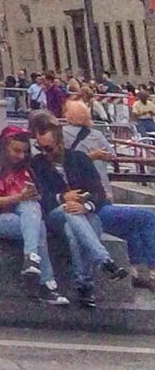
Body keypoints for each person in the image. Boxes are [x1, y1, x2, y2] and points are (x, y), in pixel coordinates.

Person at [27, 110, 124, 307]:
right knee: (68, 211)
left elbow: (98, 192)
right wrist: (63, 197)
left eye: (49, 148)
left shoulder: (80, 159)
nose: (44, 153)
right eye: (40, 148)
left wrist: (85, 205)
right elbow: (40, 196)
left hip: (85, 214)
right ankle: (104, 261)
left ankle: (84, 285)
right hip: (55, 215)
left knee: (74, 231)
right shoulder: (36, 164)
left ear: (61, 143)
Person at [59, 97, 155, 288]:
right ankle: (150, 270)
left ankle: (137, 272)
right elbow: (112, 156)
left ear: (67, 116)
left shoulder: (61, 136)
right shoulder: (95, 135)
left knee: (131, 225)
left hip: (89, 202)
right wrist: (93, 157)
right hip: (94, 204)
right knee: (145, 218)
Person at [0, 125, 65, 301]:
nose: (20, 156)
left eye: (24, 152)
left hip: (12, 211)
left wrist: (30, 196)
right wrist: (19, 197)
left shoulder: (23, 166)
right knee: (37, 227)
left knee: (32, 208)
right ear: (5, 147)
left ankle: (32, 258)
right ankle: (46, 282)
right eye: (16, 151)